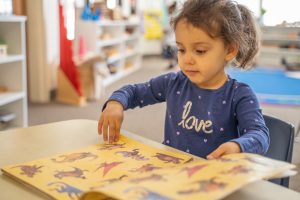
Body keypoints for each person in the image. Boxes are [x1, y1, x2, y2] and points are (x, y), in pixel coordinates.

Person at [98, 0, 270, 159]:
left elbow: (260, 135)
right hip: (172, 174)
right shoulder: (173, 83)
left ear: (230, 50)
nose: (187, 59)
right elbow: (134, 92)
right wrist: (116, 103)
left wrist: (237, 146)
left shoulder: (239, 94)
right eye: (181, 49)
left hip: (214, 180)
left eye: (200, 51)